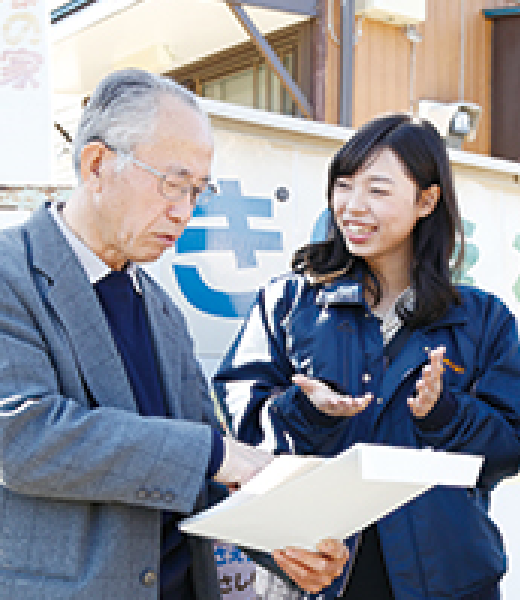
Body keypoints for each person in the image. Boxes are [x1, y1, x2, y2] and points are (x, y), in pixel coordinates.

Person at [0, 68, 348, 600]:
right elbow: (21, 436)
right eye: (172, 183)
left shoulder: (159, 307)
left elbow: (206, 474)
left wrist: (281, 541)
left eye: (197, 191)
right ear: (96, 165)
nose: (183, 211)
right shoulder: (11, 272)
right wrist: (217, 455)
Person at [213, 113, 520, 599]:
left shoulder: (481, 318)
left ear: (426, 200)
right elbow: (243, 431)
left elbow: (507, 450)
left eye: (377, 190)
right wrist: (307, 412)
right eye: (344, 186)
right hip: (316, 573)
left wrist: (444, 414)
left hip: (445, 581)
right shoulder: (288, 303)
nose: (353, 206)